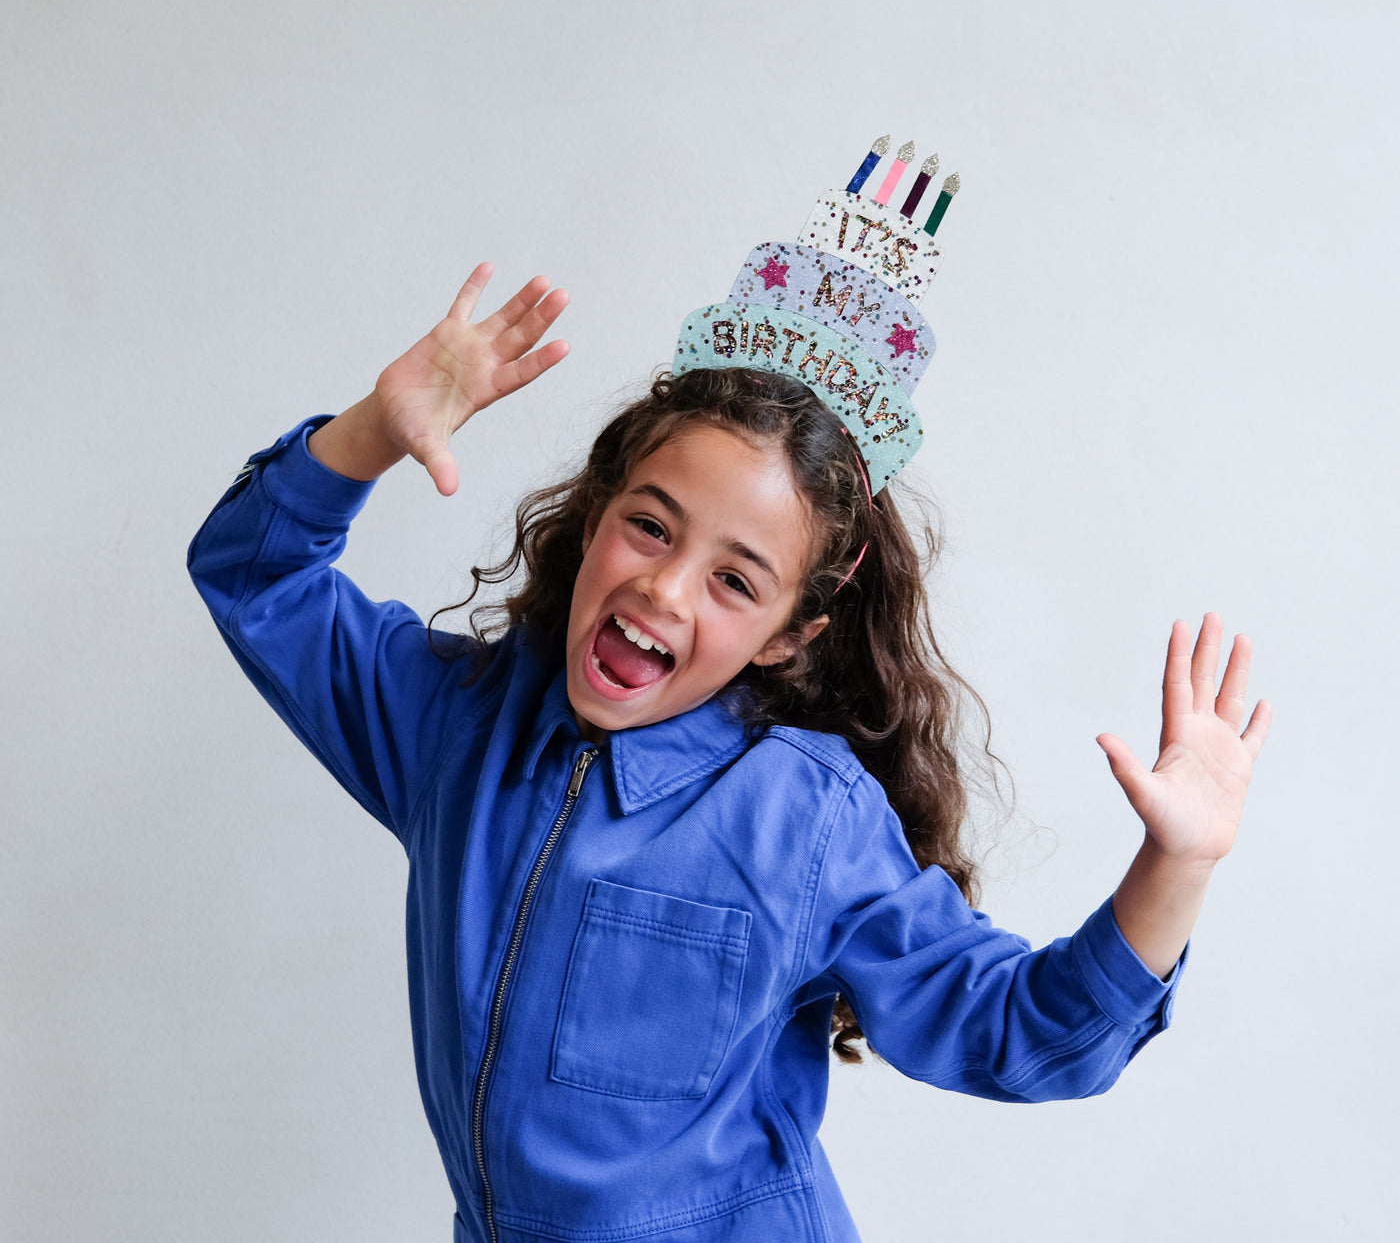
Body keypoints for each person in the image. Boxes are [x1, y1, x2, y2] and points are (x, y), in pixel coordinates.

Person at [189, 262, 1270, 1243]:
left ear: (789, 635)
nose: (662, 587)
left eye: (735, 579)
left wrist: (1175, 863)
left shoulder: (801, 820)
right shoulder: (457, 723)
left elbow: (1027, 1034)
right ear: (594, 513)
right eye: (650, 525)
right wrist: (378, 426)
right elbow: (253, 573)